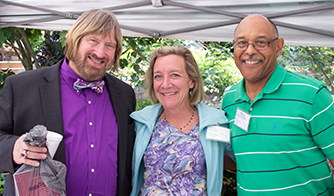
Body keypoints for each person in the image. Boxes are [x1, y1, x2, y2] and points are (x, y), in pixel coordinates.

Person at [0, 9, 136, 196]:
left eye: (109, 45)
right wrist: (13, 149)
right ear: (75, 39)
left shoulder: (125, 94)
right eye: (93, 41)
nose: (100, 52)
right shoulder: (22, 87)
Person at [221, 14, 334, 195]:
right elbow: (245, 157)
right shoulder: (229, 99)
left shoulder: (312, 94)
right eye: (242, 43)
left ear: (278, 47)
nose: (249, 51)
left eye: (261, 43)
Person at [130, 45, 235, 196]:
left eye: (175, 75)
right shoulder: (140, 122)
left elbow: (244, 160)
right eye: (158, 76)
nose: (165, 84)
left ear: (191, 81)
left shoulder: (216, 122)